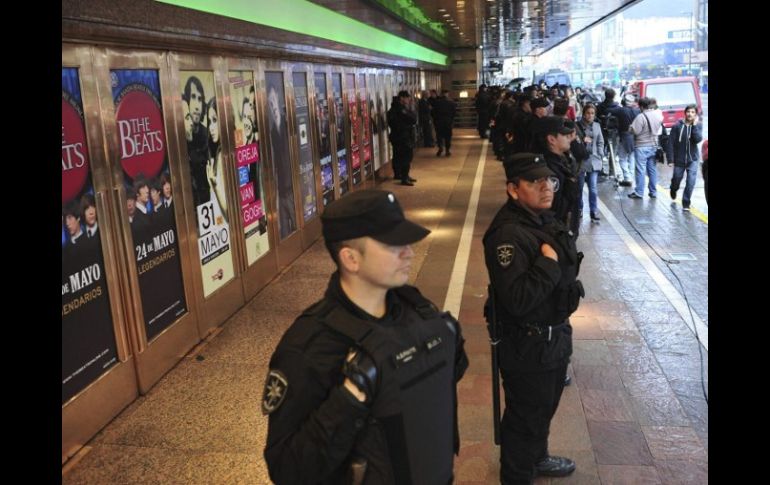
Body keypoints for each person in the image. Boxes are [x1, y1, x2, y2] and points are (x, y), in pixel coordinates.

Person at [263, 189, 468, 484]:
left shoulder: (416, 309)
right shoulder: (308, 347)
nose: (408, 251)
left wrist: (444, 343)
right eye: (392, 244)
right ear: (351, 258)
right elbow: (287, 470)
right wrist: (349, 398)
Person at [483, 153, 583, 484]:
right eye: (535, 182)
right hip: (528, 344)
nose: (546, 188)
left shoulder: (542, 220)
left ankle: (538, 457)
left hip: (552, 338)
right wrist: (548, 265)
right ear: (513, 189)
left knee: (544, 408)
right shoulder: (508, 235)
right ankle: (516, 476)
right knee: (524, 419)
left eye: (550, 181)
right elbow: (519, 299)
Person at [665, 105, 703, 212]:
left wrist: (694, 126)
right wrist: (670, 159)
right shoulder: (677, 126)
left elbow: (698, 139)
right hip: (679, 160)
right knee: (677, 179)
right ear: (685, 113)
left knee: (690, 182)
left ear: (695, 115)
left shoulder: (698, 126)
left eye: (692, 112)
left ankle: (686, 203)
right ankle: (673, 188)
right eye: (688, 112)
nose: (690, 114)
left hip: (693, 160)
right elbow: (670, 143)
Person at [182, 76, 211, 206]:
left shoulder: (207, 134)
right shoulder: (182, 137)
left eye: (200, 99)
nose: (197, 106)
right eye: (193, 97)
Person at [628, 97, 663, 200]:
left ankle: (639, 192)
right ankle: (653, 192)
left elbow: (635, 131)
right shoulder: (657, 116)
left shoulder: (641, 117)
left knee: (640, 170)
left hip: (642, 147)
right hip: (654, 146)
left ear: (641, 106)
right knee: (652, 170)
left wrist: (630, 127)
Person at [576, 104, 605, 222]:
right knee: (579, 187)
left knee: (593, 188)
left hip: (594, 160)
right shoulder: (577, 126)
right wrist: (582, 141)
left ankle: (593, 210)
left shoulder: (597, 126)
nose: (590, 115)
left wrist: (600, 153)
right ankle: (579, 209)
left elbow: (601, 142)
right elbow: (573, 142)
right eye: (588, 113)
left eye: (592, 113)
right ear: (584, 114)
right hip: (581, 161)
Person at [387, 91, 417, 185]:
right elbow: (413, 119)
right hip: (402, 136)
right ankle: (404, 177)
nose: (409, 100)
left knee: (398, 156)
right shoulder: (399, 110)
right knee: (406, 157)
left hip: (398, 136)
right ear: (402, 98)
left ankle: (399, 174)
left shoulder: (394, 109)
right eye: (407, 98)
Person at [432, 90, 457, 157]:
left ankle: (440, 147)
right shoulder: (451, 103)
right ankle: (447, 150)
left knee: (439, 136)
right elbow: (454, 113)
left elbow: (433, 113)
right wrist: (451, 120)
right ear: (447, 94)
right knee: (448, 137)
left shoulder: (436, 103)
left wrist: (435, 120)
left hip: (439, 122)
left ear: (441, 94)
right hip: (448, 122)